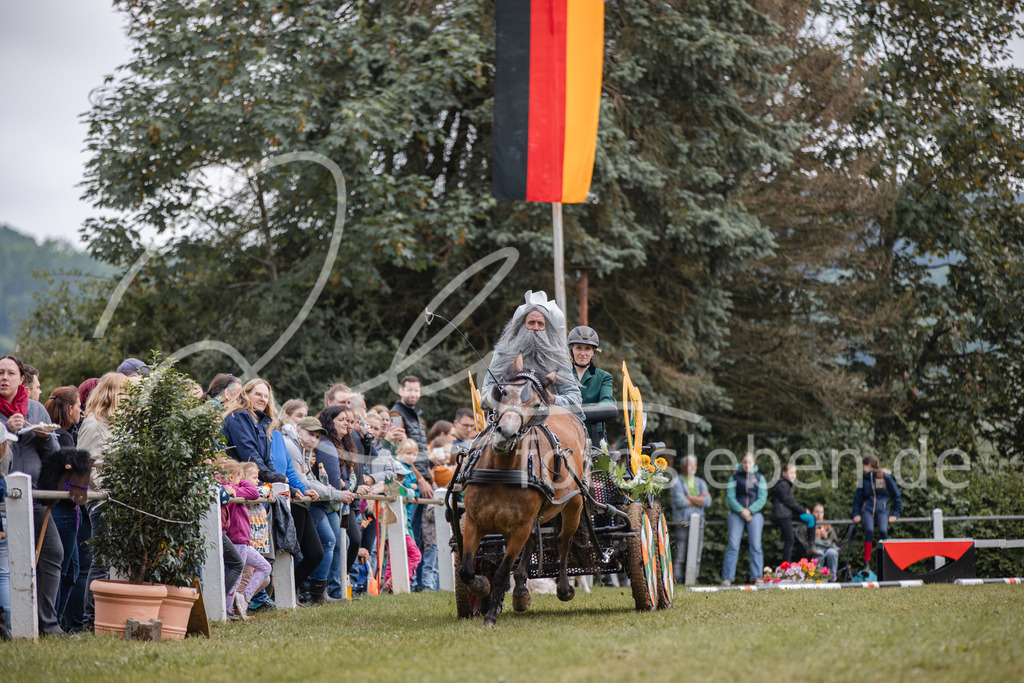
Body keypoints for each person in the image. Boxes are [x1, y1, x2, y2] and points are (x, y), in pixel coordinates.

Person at [0, 354, 63, 635]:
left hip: (35, 497)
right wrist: (7, 434)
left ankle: (46, 623)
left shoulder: (37, 410)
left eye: (10, 373)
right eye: (0, 373)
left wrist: (44, 437)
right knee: (6, 564)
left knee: (52, 553)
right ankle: (10, 625)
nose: (4, 378)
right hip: (2, 501)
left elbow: (56, 457)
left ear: (21, 378)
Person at [77, 371, 128, 631]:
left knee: (111, 562)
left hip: (120, 501)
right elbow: (83, 464)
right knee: (100, 561)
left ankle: (108, 616)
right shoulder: (93, 424)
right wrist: (104, 490)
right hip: (101, 501)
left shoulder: (116, 425)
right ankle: (90, 619)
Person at [482, 290, 583, 420]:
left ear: (548, 328)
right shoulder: (504, 351)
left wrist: (553, 399)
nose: (535, 327)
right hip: (506, 419)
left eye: (540, 324)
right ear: (522, 325)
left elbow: (575, 399)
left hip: (548, 421)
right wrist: (505, 395)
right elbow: (485, 394)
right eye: (531, 323)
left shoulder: (559, 356)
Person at [43, 386, 86, 628]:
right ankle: (54, 622)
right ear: (69, 409)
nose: (81, 409)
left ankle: (57, 622)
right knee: (64, 571)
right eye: (79, 405)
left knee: (70, 569)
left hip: (60, 508)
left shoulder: (54, 433)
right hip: (65, 509)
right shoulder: (66, 437)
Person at [219, 460, 272, 619]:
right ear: (231, 477)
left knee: (265, 567)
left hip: (243, 541)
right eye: (240, 477)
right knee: (237, 576)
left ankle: (243, 598)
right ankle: (228, 610)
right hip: (236, 539)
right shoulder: (232, 489)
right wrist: (240, 478)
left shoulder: (234, 488)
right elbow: (254, 493)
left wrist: (238, 477)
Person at [221, 378, 285, 482]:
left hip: (250, 480)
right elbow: (249, 453)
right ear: (246, 394)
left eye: (266, 396)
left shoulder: (261, 423)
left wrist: (282, 484)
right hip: (234, 481)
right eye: (258, 394)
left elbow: (267, 461)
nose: (262, 399)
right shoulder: (240, 416)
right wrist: (271, 478)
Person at [721, 452, 767, 586]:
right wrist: (742, 511)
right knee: (733, 544)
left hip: (755, 514)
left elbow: (762, 498)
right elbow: (730, 497)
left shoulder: (760, 478)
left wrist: (750, 510)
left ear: (754, 464)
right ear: (741, 463)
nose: (747, 465)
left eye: (750, 462)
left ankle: (757, 577)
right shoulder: (734, 478)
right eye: (745, 462)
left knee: (756, 545)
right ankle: (728, 577)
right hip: (737, 513)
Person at [852, 454, 902, 568]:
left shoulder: (885, 477)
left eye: (863, 465)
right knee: (869, 530)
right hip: (867, 510)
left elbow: (897, 496)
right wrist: (855, 514)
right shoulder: (863, 479)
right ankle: (866, 563)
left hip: (882, 510)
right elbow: (857, 498)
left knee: (883, 531)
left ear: (868, 465)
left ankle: (888, 561)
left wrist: (895, 514)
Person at [568, 326, 615, 446]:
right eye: (578, 348)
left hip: (595, 439)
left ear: (593, 351)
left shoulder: (604, 377)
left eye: (587, 348)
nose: (582, 353)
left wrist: (578, 410)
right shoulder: (561, 375)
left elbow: (607, 402)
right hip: (566, 435)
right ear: (571, 349)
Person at [668, 455, 711, 583]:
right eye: (690, 465)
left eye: (695, 465)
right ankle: (677, 580)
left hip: (699, 524)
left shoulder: (701, 482)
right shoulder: (676, 482)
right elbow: (680, 501)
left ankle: (693, 579)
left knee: (696, 554)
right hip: (682, 523)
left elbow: (707, 502)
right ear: (683, 467)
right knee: (679, 555)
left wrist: (689, 497)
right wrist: (699, 499)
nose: (693, 467)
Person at [770, 463, 816, 564]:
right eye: (791, 473)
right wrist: (804, 510)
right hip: (782, 516)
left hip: (789, 514)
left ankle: (811, 546)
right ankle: (786, 566)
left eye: (794, 473)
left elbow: (790, 503)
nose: (793, 475)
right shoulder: (782, 485)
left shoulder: (785, 484)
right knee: (789, 540)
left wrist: (804, 512)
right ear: (783, 473)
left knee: (810, 518)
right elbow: (789, 502)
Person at [798, 503, 840, 581]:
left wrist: (827, 537)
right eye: (816, 512)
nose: (819, 515)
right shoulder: (805, 526)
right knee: (819, 553)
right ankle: (818, 578)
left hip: (827, 548)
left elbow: (835, 543)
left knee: (833, 553)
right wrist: (812, 539)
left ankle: (832, 579)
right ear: (811, 513)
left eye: (821, 513)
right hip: (814, 549)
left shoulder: (828, 526)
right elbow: (802, 543)